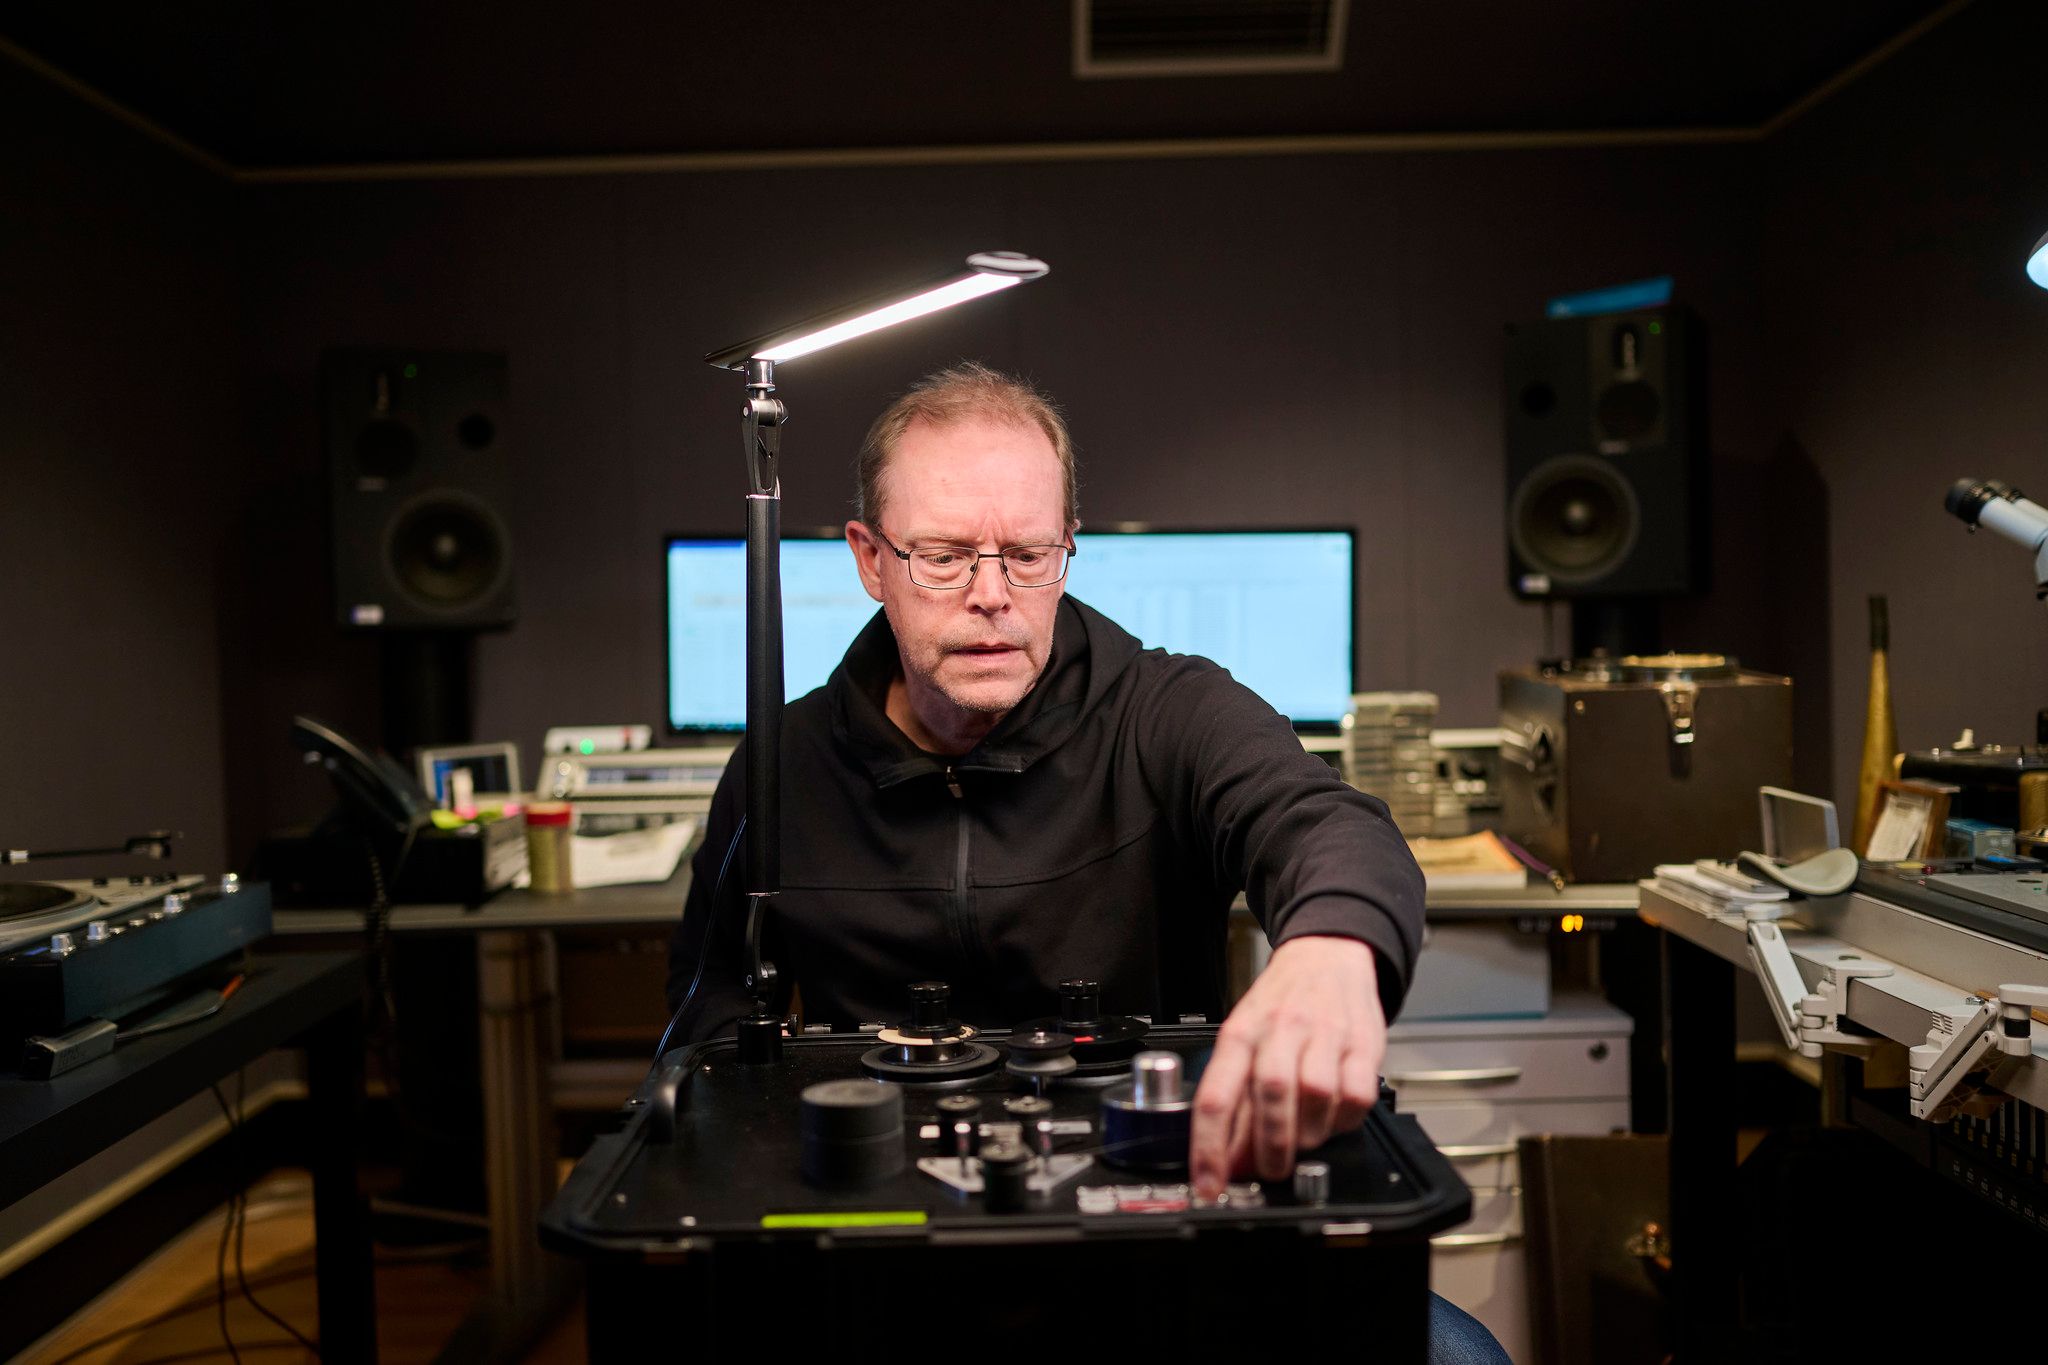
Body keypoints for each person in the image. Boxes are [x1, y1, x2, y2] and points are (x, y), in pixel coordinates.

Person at [666, 362, 1505, 1360]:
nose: (991, 596)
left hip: (1157, 1234)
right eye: (943, 557)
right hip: (883, 1254)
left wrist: (1332, 948)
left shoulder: (1169, 711)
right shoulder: (780, 767)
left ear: (1069, 550)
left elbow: (1325, 822)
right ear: (869, 559)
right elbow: (703, 1027)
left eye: (1028, 555)